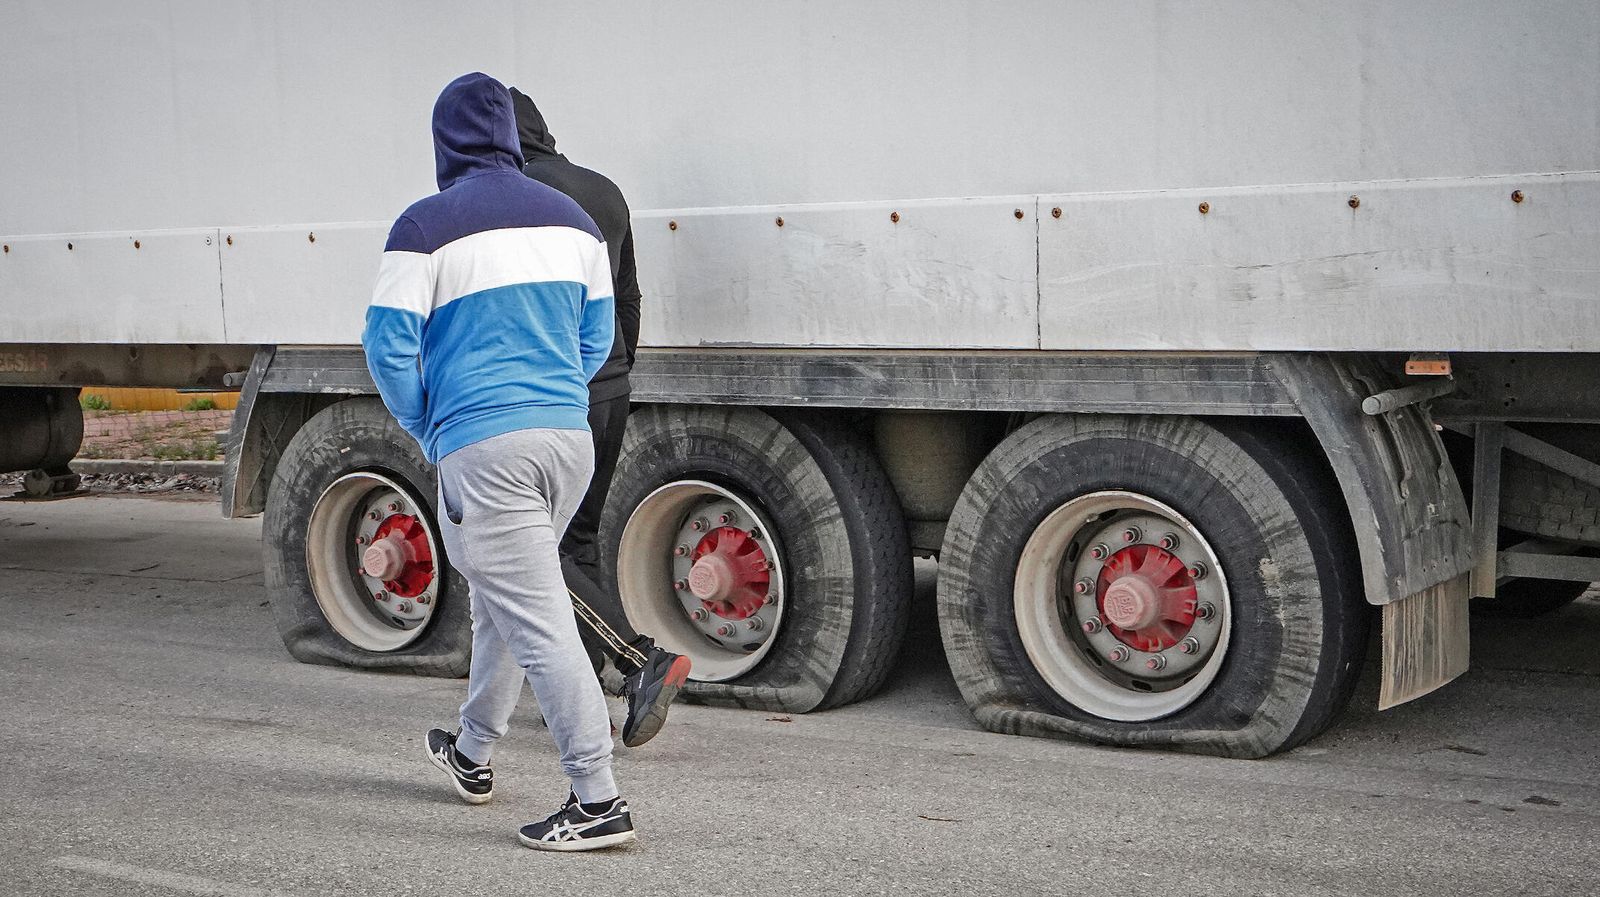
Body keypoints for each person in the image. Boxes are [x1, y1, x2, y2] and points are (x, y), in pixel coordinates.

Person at [362, 72, 634, 851]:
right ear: (514, 139)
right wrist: (549, 400)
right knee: (505, 600)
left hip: (486, 444)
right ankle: (474, 750)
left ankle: (596, 797)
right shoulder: (574, 220)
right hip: (565, 439)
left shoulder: (425, 225)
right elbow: (595, 338)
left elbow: (386, 345)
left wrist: (431, 423)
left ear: (445, 141)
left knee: (538, 618)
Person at [507, 87, 689, 748]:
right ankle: (584, 694)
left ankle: (644, 659)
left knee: (524, 547)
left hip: (557, 393)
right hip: (611, 385)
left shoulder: (516, 197)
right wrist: (619, 365)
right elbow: (629, 295)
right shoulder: (604, 190)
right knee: (575, 542)